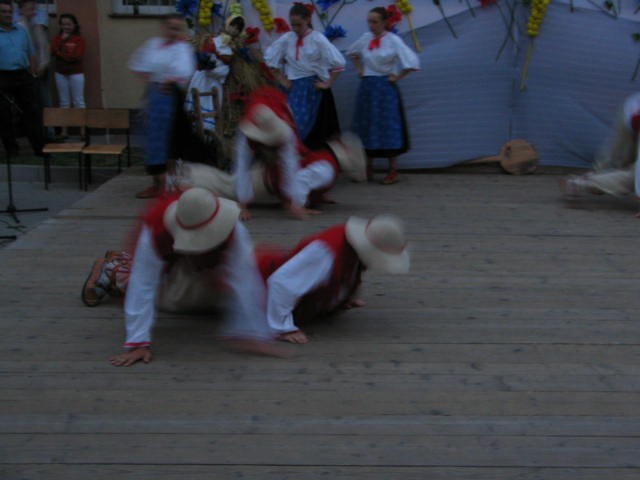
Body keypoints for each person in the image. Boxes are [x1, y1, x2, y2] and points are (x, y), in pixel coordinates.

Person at [81, 187, 281, 366]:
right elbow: (143, 283)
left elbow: (245, 276)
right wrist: (138, 342)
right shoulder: (156, 229)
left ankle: (127, 266)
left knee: (213, 298)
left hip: (204, 261)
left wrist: (251, 332)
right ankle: (115, 270)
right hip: (172, 256)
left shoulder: (232, 228)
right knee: (172, 299)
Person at [256, 214, 410, 344]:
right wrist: (282, 328)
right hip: (261, 295)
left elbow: (338, 273)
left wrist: (341, 298)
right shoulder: (325, 252)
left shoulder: (349, 247)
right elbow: (281, 283)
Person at [230, 85, 365, 220]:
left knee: (234, 184)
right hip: (266, 178)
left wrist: (294, 202)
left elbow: (290, 166)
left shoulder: (286, 133)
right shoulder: (246, 134)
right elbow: (241, 166)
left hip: (272, 173)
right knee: (228, 188)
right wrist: (242, 206)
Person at [347, 6, 420, 184]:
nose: (371, 25)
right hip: (368, 88)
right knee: (367, 124)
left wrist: (397, 76)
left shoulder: (393, 40)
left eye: (375, 22)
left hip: (385, 89)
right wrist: (360, 70)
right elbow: (352, 53)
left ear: (384, 22)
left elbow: (411, 61)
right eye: (369, 22)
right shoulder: (365, 38)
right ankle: (368, 167)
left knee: (387, 126)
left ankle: (392, 170)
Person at [129, 14, 196, 199]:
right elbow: (138, 63)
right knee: (153, 139)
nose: (174, 32)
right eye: (171, 27)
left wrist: (170, 81)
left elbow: (186, 70)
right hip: (155, 94)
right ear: (164, 27)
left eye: (177, 28)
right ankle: (157, 183)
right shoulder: (153, 44)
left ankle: (170, 184)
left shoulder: (182, 47)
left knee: (170, 139)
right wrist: (151, 82)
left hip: (172, 97)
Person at [264, 3, 345, 150]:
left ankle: (312, 159)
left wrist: (327, 83)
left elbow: (339, 63)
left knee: (313, 133)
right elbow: (270, 59)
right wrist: (282, 80)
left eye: (299, 25)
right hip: (293, 91)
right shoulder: (287, 38)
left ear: (308, 20)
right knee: (290, 128)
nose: (295, 28)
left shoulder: (317, 39)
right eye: (293, 25)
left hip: (313, 90)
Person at [561, 92, 640, 214]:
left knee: (626, 171)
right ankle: (584, 182)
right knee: (626, 170)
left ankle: (582, 182)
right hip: (632, 115)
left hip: (633, 112)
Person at [0, 0, 43, 157]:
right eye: (3, 11)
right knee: (4, 114)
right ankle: (12, 149)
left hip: (23, 75)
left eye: (9, 11)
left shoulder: (21, 30)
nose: (7, 15)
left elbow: (31, 52)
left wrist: (33, 74)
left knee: (32, 111)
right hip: (3, 76)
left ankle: (39, 148)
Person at [51, 13, 86, 113]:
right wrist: (62, 42)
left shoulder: (79, 40)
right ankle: (65, 123)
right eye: (63, 24)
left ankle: (81, 123)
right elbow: (53, 51)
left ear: (74, 25)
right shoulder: (57, 38)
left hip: (76, 73)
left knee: (78, 101)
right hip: (60, 73)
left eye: (69, 24)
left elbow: (76, 56)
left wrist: (59, 53)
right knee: (64, 102)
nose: (66, 27)